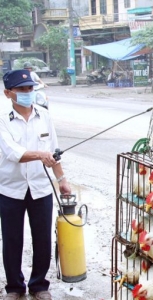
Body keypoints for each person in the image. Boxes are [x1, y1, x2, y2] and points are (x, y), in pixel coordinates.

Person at [0, 70, 71, 300]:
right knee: (12, 239)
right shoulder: (2, 119)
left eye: (30, 88)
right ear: (8, 93)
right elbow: (13, 153)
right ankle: (14, 287)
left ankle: (39, 285)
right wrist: (42, 155)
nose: (27, 93)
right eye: (21, 89)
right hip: (11, 189)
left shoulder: (44, 116)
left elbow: (54, 151)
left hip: (40, 188)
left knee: (43, 238)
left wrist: (62, 180)